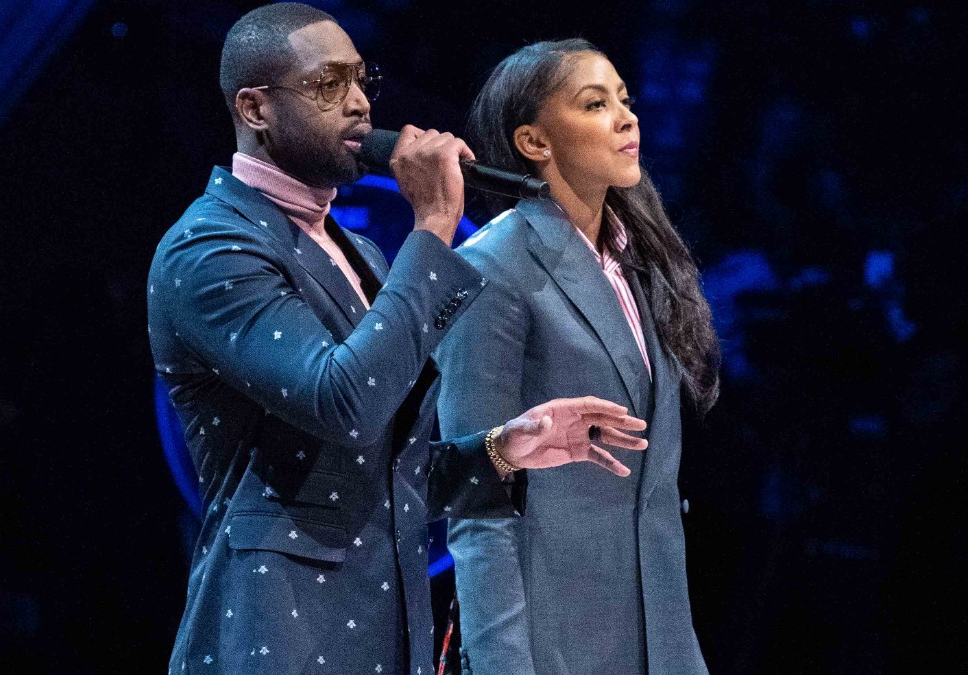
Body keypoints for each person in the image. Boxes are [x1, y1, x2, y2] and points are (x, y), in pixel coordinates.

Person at [146, 8, 648, 674]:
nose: (358, 104)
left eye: (362, 80)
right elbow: (346, 403)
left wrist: (505, 447)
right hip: (280, 639)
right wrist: (437, 221)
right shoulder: (211, 248)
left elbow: (380, 474)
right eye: (328, 84)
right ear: (255, 108)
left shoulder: (358, 253)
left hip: (386, 634)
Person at [435, 39, 722, 674]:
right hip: (552, 641)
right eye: (595, 104)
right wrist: (502, 663)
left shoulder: (637, 258)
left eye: (625, 100)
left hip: (659, 637)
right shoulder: (490, 268)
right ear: (535, 142)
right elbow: (476, 500)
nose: (626, 118)